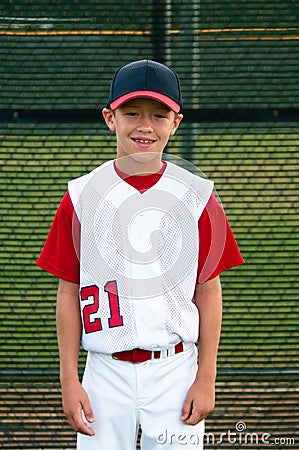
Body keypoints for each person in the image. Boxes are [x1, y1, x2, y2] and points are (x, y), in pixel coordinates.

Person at [37, 59, 244, 450]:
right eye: (131, 113)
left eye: (158, 114)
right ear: (109, 118)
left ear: (175, 122)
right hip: (103, 371)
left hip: (175, 370)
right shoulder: (82, 196)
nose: (144, 125)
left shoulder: (196, 197)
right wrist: (69, 378)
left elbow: (209, 291)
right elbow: (67, 291)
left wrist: (206, 377)